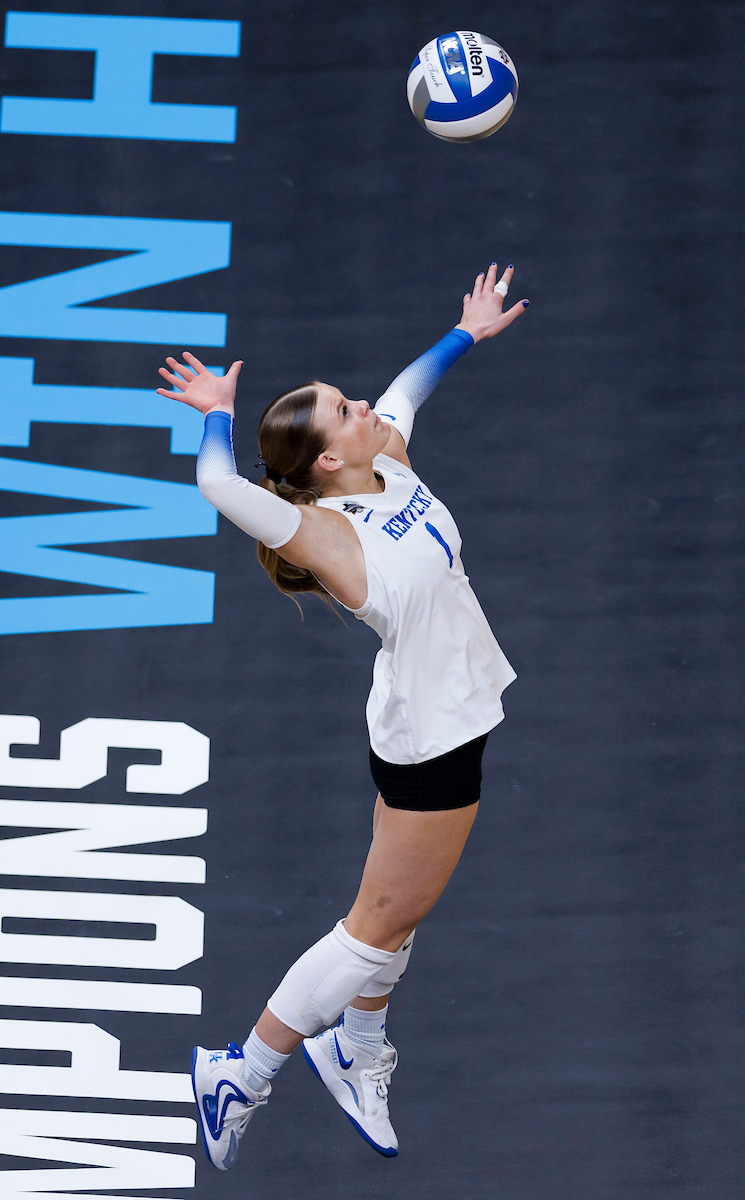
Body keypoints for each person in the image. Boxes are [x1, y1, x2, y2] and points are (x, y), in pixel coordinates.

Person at [156, 263, 528, 1168]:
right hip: (431, 742)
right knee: (373, 929)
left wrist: (466, 332)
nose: (361, 404)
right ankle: (243, 1071)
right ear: (327, 461)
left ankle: (357, 1048)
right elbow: (218, 485)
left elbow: (405, 390)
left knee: (394, 915)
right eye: (343, 408)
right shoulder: (326, 533)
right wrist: (215, 413)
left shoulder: (385, 459)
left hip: (441, 716)